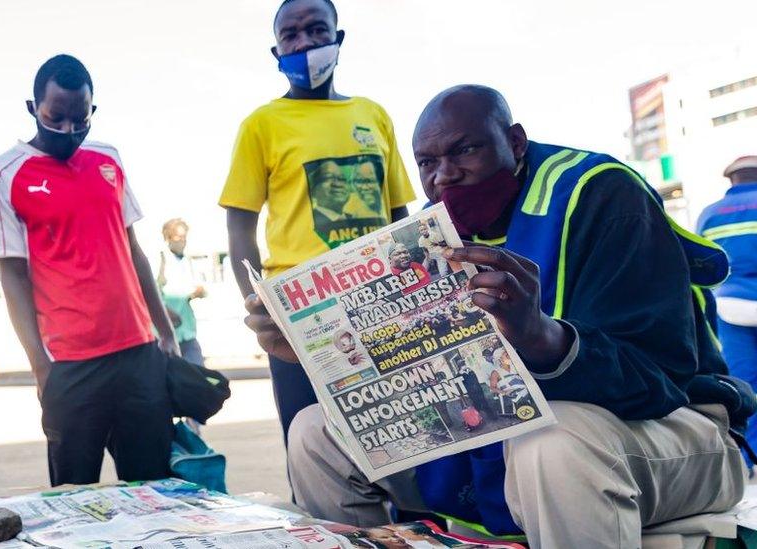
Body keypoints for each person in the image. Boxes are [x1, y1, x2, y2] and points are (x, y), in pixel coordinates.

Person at [248, 85, 752, 547]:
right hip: (491, 440)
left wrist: (544, 338)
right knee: (316, 432)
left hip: (676, 431)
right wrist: (316, 354)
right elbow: (409, 386)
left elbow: (660, 378)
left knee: (552, 442)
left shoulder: (601, 195)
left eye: (464, 150)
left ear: (514, 142)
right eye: (426, 162)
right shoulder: (430, 237)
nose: (443, 175)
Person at [0, 54, 185, 485]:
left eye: (81, 118)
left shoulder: (108, 158)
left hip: (138, 355)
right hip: (70, 366)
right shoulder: (3, 175)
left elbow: (134, 250)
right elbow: (11, 275)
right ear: (33, 108)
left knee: (155, 492)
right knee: (74, 503)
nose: (69, 130)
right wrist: (41, 367)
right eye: (56, 118)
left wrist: (165, 333)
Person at [220, 0, 415, 445]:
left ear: (338, 39)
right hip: (298, 315)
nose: (304, 42)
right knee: (312, 442)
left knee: (400, 438)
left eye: (316, 30)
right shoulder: (261, 125)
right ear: (276, 52)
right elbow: (239, 227)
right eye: (290, 34)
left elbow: (398, 212)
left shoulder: (373, 115)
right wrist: (258, 304)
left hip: (379, 303)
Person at [698, 155, 757, 459]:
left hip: (731, 305)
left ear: (732, 180)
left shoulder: (710, 215)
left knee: (745, 382)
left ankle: (749, 458)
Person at [157, 218, 207, 366]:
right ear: (168, 238)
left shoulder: (187, 260)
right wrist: (164, 312)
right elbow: (151, 293)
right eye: (179, 238)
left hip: (187, 332)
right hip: (167, 335)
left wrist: (199, 292)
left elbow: (201, 289)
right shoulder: (160, 260)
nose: (183, 241)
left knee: (198, 377)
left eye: (185, 238)